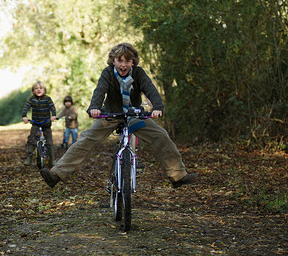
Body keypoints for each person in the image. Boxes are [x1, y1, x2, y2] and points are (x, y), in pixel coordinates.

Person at [40, 43, 197, 188]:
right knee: (87, 138)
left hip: (134, 115)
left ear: (133, 62)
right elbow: (99, 91)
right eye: (120, 60)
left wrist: (158, 107)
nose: (123, 65)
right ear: (113, 60)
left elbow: (150, 90)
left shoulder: (139, 73)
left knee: (161, 135)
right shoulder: (108, 73)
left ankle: (177, 176)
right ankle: (56, 174)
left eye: (128, 61)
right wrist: (95, 108)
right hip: (110, 115)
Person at [22, 81, 57, 166]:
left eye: (40, 88)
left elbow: (52, 108)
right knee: (31, 139)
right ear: (33, 91)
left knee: (49, 141)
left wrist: (53, 116)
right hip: (35, 122)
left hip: (46, 123)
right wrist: (24, 116)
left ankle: (52, 160)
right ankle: (29, 158)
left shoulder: (48, 99)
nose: (38, 90)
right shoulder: (32, 99)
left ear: (44, 90)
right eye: (36, 88)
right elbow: (26, 107)